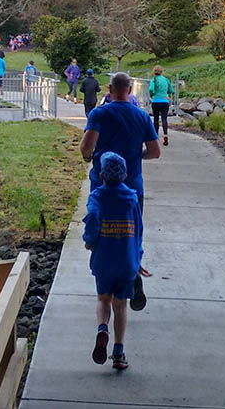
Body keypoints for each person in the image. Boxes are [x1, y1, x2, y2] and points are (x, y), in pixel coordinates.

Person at [80, 72, 159, 312]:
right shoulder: (142, 116)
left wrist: (90, 157)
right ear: (130, 90)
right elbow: (155, 152)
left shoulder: (99, 114)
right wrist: (136, 156)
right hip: (133, 187)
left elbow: (86, 147)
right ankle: (132, 273)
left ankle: (106, 284)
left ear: (110, 90)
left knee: (102, 231)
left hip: (101, 187)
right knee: (132, 232)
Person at [84, 152, 142, 371]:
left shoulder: (97, 197)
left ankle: (102, 329)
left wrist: (90, 240)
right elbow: (139, 231)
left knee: (103, 299)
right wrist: (138, 256)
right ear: (125, 175)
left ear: (101, 175)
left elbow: (92, 219)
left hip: (103, 260)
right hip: (126, 261)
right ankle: (118, 352)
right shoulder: (132, 199)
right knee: (121, 305)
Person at [148, 66, 174, 147]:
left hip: (155, 101)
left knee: (156, 119)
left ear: (154, 72)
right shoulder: (166, 79)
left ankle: (156, 137)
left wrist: (152, 95)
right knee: (164, 119)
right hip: (164, 101)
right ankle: (165, 135)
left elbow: (151, 89)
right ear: (161, 72)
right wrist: (165, 93)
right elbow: (171, 90)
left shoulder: (153, 80)